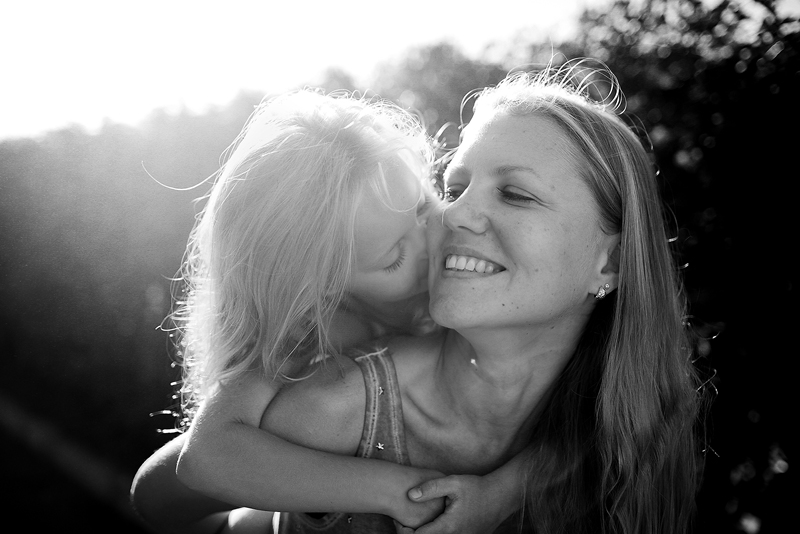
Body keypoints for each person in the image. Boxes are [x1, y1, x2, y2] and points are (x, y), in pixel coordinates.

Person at [135, 59, 706, 534]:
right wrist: (406, 492)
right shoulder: (319, 359)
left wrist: (500, 493)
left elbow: (599, 432)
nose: (449, 218)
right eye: (457, 186)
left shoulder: (619, 406)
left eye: (514, 193)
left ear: (611, 262)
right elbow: (187, 472)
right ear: (330, 288)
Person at [131, 89, 522, 534]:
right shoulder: (324, 332)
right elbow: (199, 463)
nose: (430, 242)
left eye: (422, 207)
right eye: (395, 255)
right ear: (325, 288)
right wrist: (396, 491)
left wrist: (504, 491)